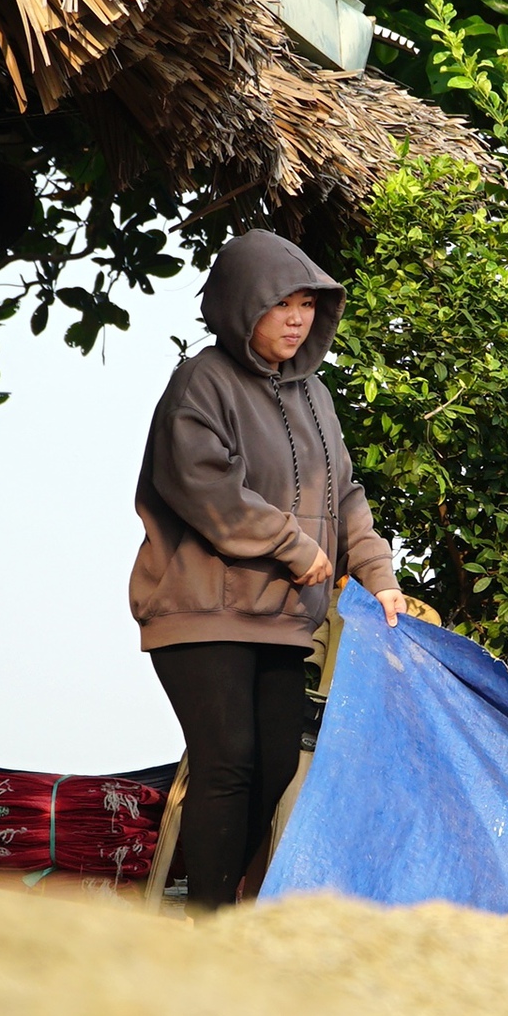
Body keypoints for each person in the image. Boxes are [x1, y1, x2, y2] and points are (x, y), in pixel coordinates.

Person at [131, 229, 406, 913]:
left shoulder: (316, 396)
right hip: (202, 611)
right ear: (240, 304)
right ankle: (210, 919)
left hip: (283, 619)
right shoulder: (201, 381)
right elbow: (202, 482)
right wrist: (290, 543)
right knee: (228, 761)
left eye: (307, 302)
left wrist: (377, 573)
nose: (296, 317)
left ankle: (217, 909)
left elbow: (345, 496)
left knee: (277, 763)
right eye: (280, 301)